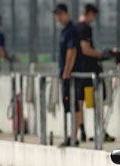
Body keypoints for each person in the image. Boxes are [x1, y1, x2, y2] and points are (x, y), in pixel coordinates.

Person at [76, 3, 116, 142]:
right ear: (90, 13)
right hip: (89, 70)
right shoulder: (85, 28)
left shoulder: (75, 27)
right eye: (94, 15)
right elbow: (85, 49)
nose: (94, 18)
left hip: (80, 70)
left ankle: (82, 131)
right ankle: (100, 131)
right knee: (97, 100)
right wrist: (101, 55)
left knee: (80, 101)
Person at [54, 3, 83, 147]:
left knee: (74, 106)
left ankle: (74, 137)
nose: (58, 17)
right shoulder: (65, 30)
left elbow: (72, 51)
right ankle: (71, 136)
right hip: (67, 74)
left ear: (67, 14)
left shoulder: (71, 30)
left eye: (60, 14)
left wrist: (66, 71)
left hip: (71, 75)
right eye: (56, 15)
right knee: (69, 106)